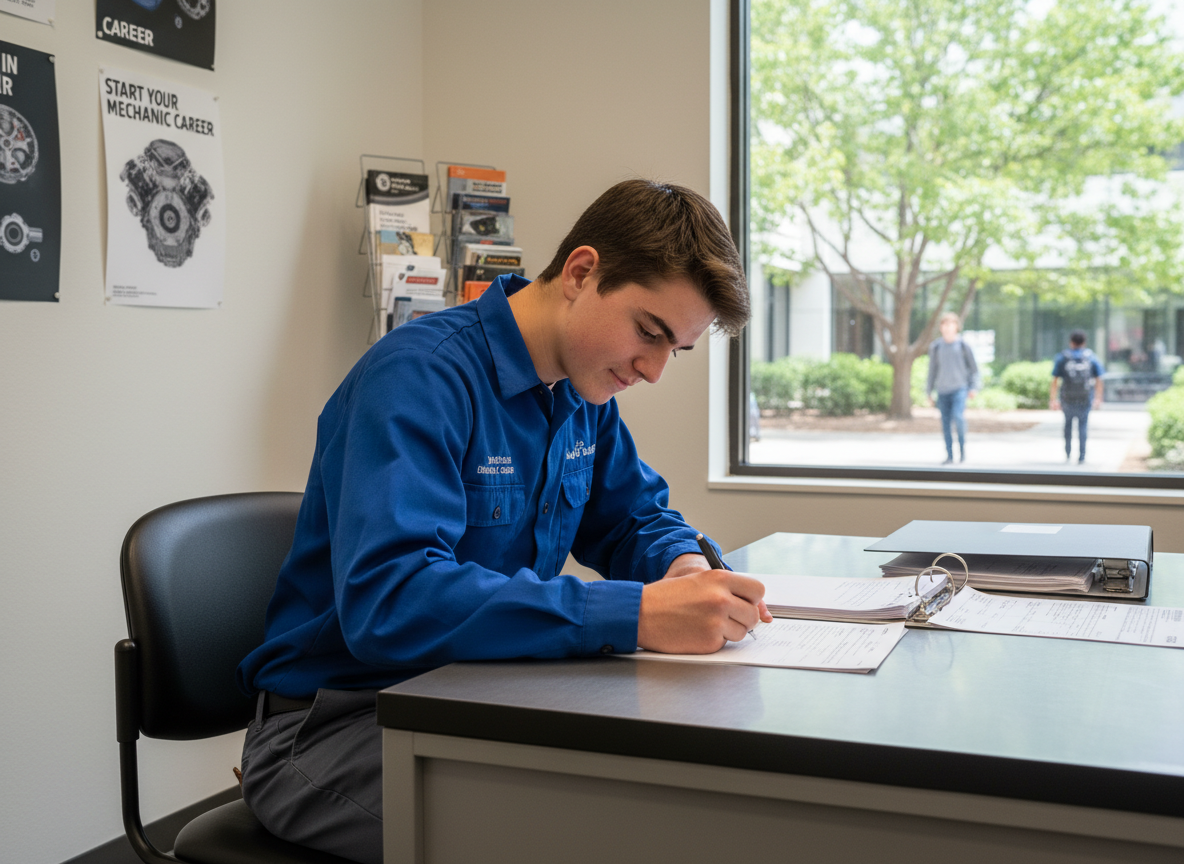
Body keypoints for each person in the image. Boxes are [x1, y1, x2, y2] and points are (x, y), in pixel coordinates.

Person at [234, 179, 773, 864]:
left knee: (662, 795)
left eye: (678, 350)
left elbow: (634, 518)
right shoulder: (417, 378)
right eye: (649, 332)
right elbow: (391, 601)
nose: (655, 370)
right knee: (593, 834)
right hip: (340, 725)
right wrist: (635, 614)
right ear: (582, 273)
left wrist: (685, 570)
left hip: (475, 696)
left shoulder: (583, 393)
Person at [926, 311, 980, 465]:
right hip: (942, 391)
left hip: (959, 389)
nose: (947, 327)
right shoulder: (936, 347)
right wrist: (929, 391)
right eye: (944, 324)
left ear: (957, 326)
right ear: (941, 327)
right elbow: (932, 371)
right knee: (945, 424)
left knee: (958, 417)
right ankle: (949, 455)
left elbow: (974, 369)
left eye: (951, 324)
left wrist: (973, 387)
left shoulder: (963, 345)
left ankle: (962, 452)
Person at [1050, 329, 1105, 464]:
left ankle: (1067, 454)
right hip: (1085, 399)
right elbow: (1099, 379)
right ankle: (1082, 456)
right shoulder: (1091, 357)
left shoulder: (1063, 357)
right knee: (1083, 426)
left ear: (1071, 342)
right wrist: (1098, 398)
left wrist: (1053, 399)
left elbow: (1055, 380)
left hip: (1067, 398)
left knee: (1067, 425)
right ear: (1084, 342)